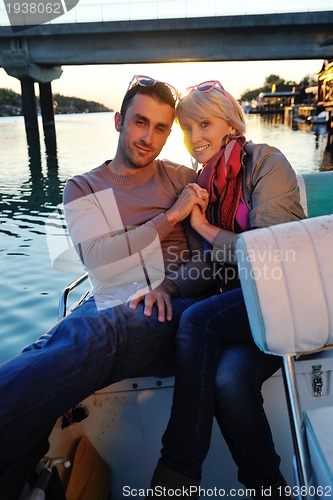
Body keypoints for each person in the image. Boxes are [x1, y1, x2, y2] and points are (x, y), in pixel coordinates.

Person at [0, 76, 215, 497]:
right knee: (49, 345)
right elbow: (98, 259)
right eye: (140, 122)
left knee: (91, 334)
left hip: (166, 307)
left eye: (160, 129)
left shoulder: (181, 178)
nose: (148, 137)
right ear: (119, 121)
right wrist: (169, 218)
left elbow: (206, 258)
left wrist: (169, 287)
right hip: (107, 297)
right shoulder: (83, 187)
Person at [149, 81, 306, 499]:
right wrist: (166, 285)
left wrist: (201, 226)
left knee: (197, 319)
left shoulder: (265, 163)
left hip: (287, 296)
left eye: (204, 123)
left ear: (230, 124)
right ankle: (269, 490)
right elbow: (209, 263)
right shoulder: (207, 184)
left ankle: (177, 472)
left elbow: (270, 251)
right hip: (247, 311)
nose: (194, 137)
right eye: (186, 127)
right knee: (230, 379)